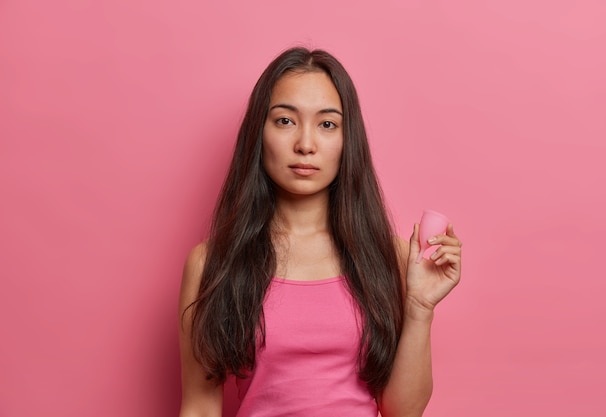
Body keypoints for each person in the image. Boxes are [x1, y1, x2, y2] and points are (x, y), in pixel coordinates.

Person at [178, 46, 462, 417]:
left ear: (348, 141)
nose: (306, 145)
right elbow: (200, 406)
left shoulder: (390, 257)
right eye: (284, 121)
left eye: (327, 124)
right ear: (258, 133)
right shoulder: (212, 263)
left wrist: (420, 308)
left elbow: (402, 412)